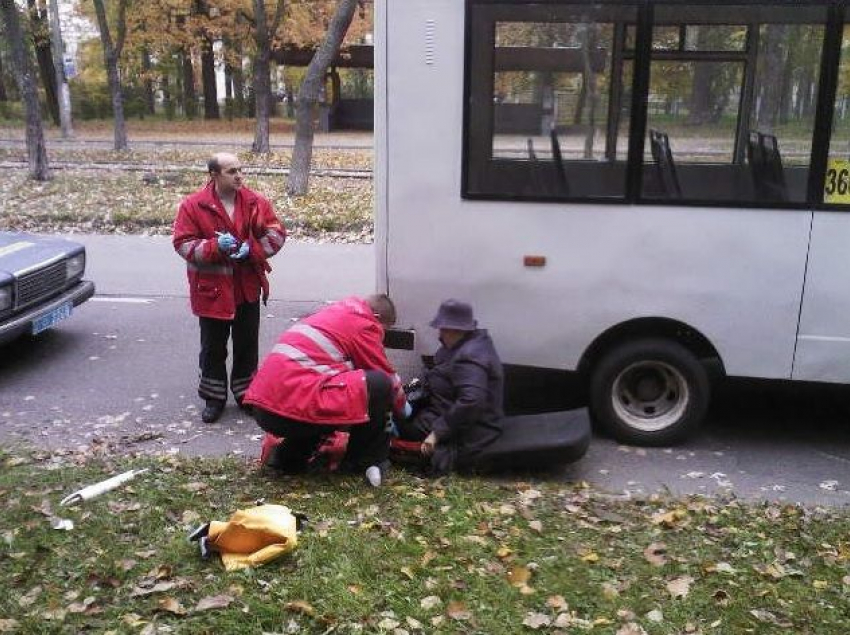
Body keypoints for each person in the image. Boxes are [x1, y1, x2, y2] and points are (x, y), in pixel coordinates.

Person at [244, 295, 409, 486]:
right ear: (377, 317)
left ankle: (288, 457)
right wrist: (404, 409)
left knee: (332, 392)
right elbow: (385, 375)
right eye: (384, 331)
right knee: (378, 384)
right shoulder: (364, 324)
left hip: (266, 407)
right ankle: (363, 462)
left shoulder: (337, 315)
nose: (382, 337)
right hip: (290, 406)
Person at [173, 152, 286, 424]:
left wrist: (253, 249)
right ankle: (214, 398)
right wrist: (214, 248)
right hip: (211, 292)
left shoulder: (254, 202)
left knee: (247, 344)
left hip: (246, 287)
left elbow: (276, 232)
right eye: (231, 171)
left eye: (240, 170)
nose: (239, 176)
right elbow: (183, 243)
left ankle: (247, 394)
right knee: (213, 347)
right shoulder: (193, 206)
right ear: (214, 175)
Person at [396, 299, 505, 474]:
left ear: (454, 329)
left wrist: (437, 433)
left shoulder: (470, 357)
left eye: (442, 329)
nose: (440, 333)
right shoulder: (465, 344)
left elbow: (471, 400)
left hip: (471, 428)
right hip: (445, 409)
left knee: (402, 427)